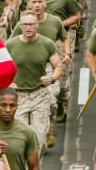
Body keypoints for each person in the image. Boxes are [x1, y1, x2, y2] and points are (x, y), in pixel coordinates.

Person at [5, 11, 62, 151]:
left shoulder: (47, 44)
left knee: (39, 139)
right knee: (20, 139)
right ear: (20, 26)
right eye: (25, 24)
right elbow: (0, 68)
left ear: (37, 25)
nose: (28, 27)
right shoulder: (10, 45)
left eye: (31, 24)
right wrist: (6, 83)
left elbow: (58, 66)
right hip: (19, 96)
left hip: (39, 94)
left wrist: (52, 78)